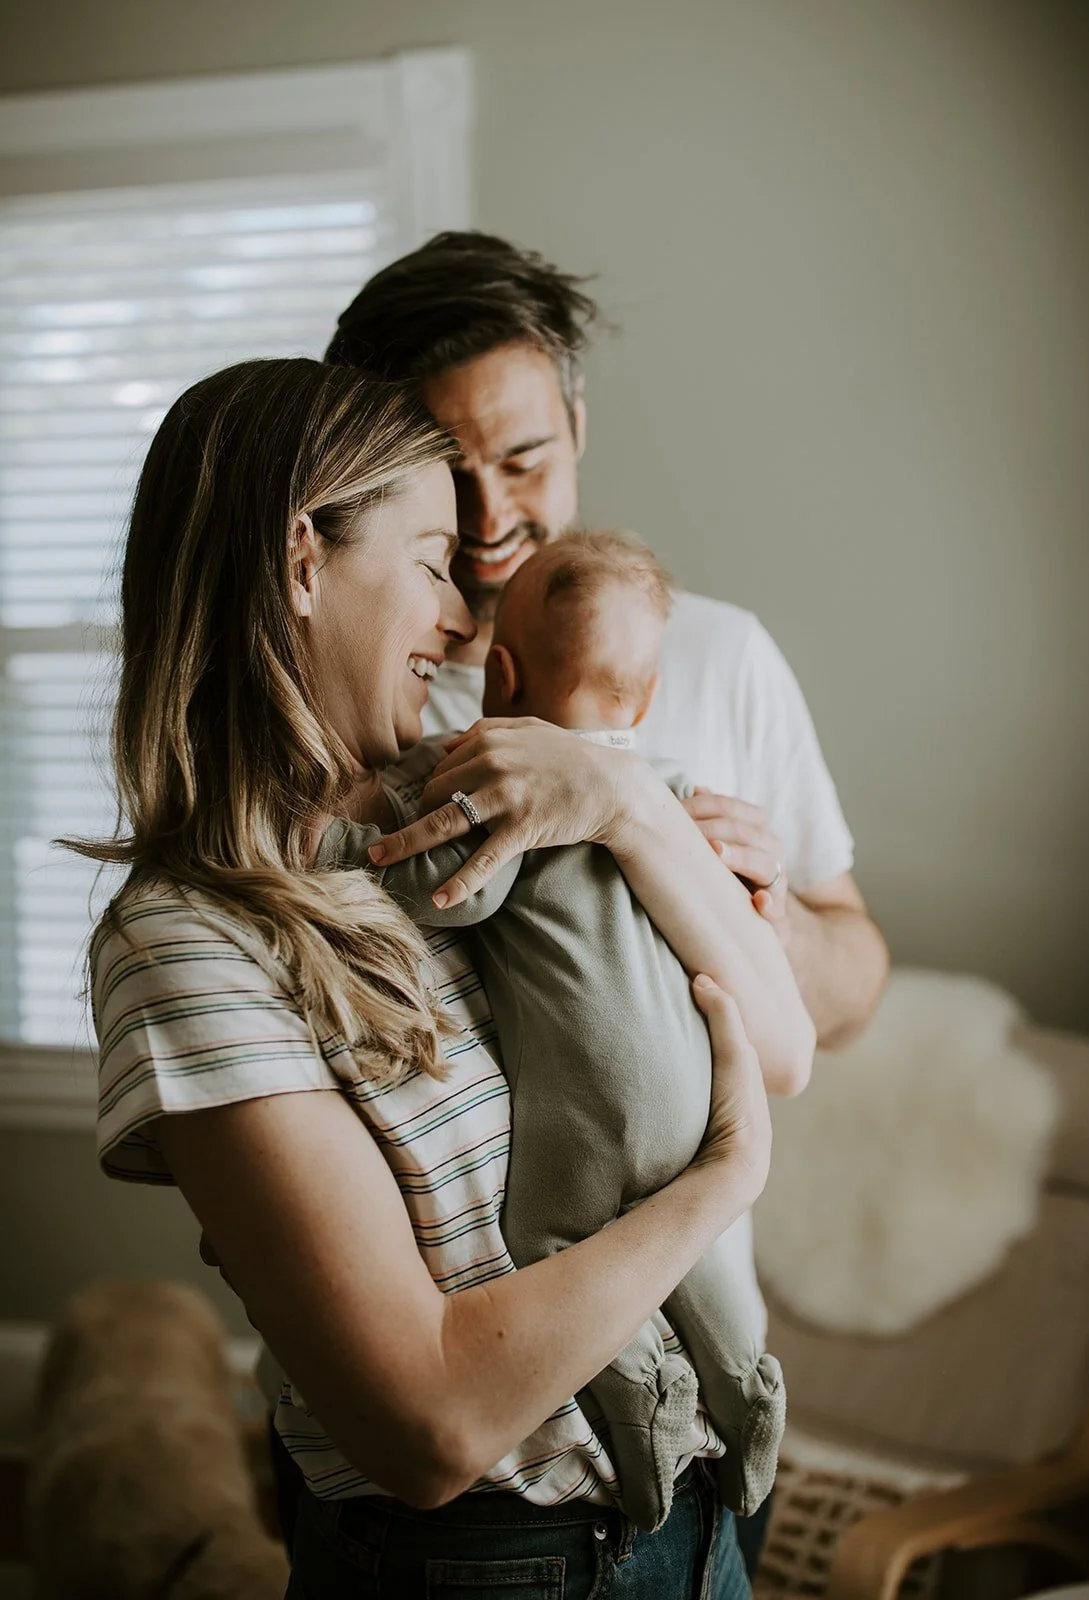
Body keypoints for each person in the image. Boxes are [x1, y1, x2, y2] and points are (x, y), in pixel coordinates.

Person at [76, 357, 815, 1597]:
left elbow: (779, 1045)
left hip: (701, 1530)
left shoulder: (474, 795)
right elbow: (426, 1422)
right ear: (304, 558)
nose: (466, 625)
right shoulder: (188, 942)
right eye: (431, 561)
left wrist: (634, 804)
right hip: (490, 1565)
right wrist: (723, 1179)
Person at [325, 229, 890, 1567]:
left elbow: (853, 978)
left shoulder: (713, 655)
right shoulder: (364, 689)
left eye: (520, 458)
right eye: (441, 472)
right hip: (467, 1442)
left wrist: (735, 894)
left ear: (575, 422)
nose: (485, 514)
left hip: (690, 1401)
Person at [324, 531, 796, 1534]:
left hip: (593, 1102)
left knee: (552, 1243)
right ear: (649, 693)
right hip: (699, 1086)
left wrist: (364, 852)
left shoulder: (495, 773)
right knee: (700, 1250)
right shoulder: (669, 788)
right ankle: (750, 1388)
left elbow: (454, 897)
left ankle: (648, 1412)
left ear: (498, 673)